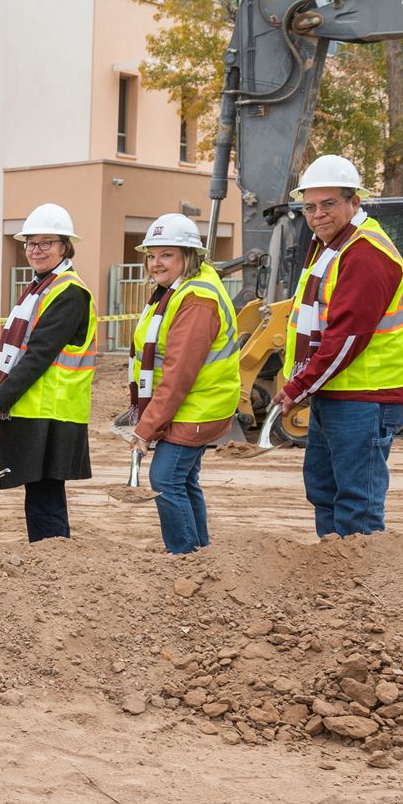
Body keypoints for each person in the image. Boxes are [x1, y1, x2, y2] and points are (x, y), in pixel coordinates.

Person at [271, 155, 403, 538]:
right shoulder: (330, 245)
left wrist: (298, 385)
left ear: (355, 203)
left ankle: (360, 592)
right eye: (310, 206)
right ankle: (331, 577)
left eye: (329, 204)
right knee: (324, 490)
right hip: (338, 391)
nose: (317, 214)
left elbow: (346, 338)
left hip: (369, 396)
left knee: (357, 503)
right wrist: (301, 380)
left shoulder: (366, 253)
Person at [127, 214, 241, 554]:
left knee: (164, 480)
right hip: (192, 404)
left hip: (197, 406)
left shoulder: (196, 300)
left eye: (166, 255)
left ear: (189, 257)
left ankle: (186, 557)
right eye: (151, 255)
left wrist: (145, 430)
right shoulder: (176, 291)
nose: (155, 263)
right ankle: (202, 556)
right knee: (185, 480)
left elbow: (178, 375)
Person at [0, 203, 97, 542]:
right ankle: (50, 566)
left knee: (45, 500)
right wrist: (0, 369)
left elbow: (40, 355)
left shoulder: (69, 292)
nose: (36, 250)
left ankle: (55, 569)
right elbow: (29, 348)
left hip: (53, 411)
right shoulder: (40, 288)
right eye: (31, 243)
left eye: (46, 242)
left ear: (65, 246)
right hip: (38, 408)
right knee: (40, 496)